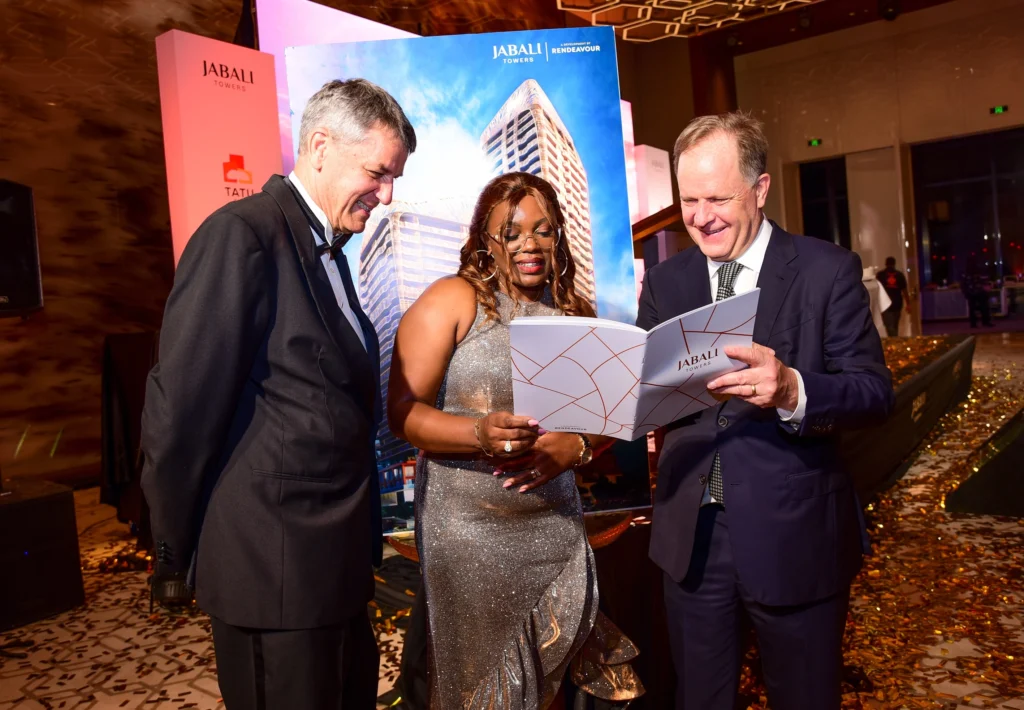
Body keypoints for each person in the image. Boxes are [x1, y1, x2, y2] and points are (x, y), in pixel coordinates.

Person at [140, 78, 416, 709]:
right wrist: (172, 551)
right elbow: (180, 408)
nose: (387, 194)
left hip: (332, 567)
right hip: (273, 570)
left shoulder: (329, 248)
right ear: (320, 145)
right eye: (378, 173)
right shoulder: (243, 234)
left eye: (394, 178)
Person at [636, 112, 894, 710]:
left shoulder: (825, 270)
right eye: (688, 200)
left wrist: (792, 390)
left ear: (760, 188)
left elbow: (873, 393)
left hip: (795, 536)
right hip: (691, 541)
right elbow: (651, 391)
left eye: (718, 197)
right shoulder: (668, 282)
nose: (700, 217)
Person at [387, 172, 643, 709]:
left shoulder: (573, 313)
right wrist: (477, 432)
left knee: (552, 682)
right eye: (512, 231)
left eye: (544, 231)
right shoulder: (453, 300)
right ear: (486, 239)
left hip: (553, 525)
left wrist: (576, 446)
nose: (530, 244)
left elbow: (599, 419)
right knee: (479, 683)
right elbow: (403, 414)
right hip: (470, 534)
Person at [876, 256, 910, 337]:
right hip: (897, 304)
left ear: (886, 264)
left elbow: (877, 290)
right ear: (894, 264)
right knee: (894, 326)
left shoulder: (880, 275)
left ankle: (894, 343)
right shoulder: (899, 275)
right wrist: (908, 304)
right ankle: (895, 342)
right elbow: (905, 291)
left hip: (886, 305)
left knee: (890, 327)